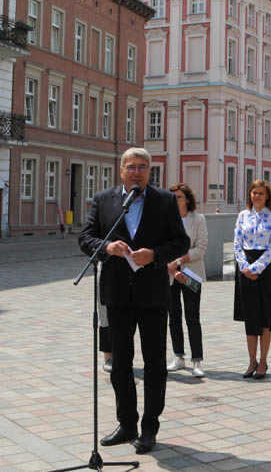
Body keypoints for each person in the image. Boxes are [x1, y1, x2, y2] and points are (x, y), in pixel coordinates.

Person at [78, 147, 190, 455]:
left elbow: (182, 241)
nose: (137, 172)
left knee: (154, 363)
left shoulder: (165, 201)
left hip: (153, 295)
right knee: (120, 363)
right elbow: (84, 238)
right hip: (117, 295)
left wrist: (155, 254)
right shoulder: (104, 200)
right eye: (131, 167)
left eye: (142, 167)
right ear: (122, 170)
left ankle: (149, 427)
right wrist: (106, 246)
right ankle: (126, 423)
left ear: (149, 171)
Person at [233, 179, 271, 382]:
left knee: (265, 318)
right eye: (254, 193)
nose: (257, 196)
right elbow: (237, 242)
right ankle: (251, 361)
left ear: (268, 196)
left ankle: (263, 361)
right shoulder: (242, 216)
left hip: (266, 269)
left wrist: (255, 269)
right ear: (249, 195)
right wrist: (245, 267)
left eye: (261, 193)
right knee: (250, 317)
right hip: (245, 267)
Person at [166, 183, 208, 378]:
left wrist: (179, 261)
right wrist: (173, 270)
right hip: (171, 276)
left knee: (192, 317)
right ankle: (178, 357)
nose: (175, 201)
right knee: (173, 318)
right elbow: (162, 247)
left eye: (179, 197)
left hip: (192, 274)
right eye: (172, 197)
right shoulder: (165, 220)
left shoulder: (198, 219)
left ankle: (197, 361)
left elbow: (201, 248)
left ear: (187, 199)